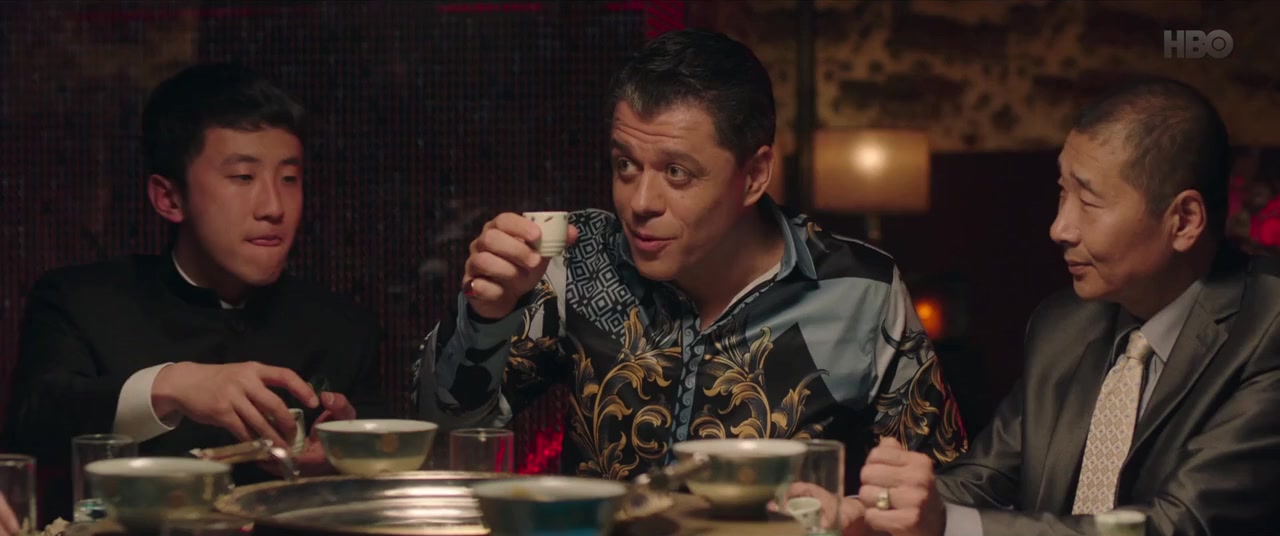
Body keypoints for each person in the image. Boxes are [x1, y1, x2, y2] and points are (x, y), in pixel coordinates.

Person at [413, 29, 967, 488]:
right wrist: (484, 316)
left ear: (754, 175)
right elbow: (445, 436)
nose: (640, 202)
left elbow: (942, 487)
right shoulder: (577, 264)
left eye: (677, 172)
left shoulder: (859, 291)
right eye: (625, 165)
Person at [843, 78, 1280, 536]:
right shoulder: (1066, 325)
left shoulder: (1266, 331)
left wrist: (946, 523)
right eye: (1062, 192)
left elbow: (1179, 525)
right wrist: (866, 513)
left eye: (1088, 201)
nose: (1059, 228)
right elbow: (986, 480)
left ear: (1184, 220)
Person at [1, 63, 385, 522]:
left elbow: (384, 485)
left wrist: (344, 458)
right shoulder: (79, 301)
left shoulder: (343, 327)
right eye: (243, 177)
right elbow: (34, 425)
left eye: (289, 178)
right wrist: (173, 386)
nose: (273, 207)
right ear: (170, 198)